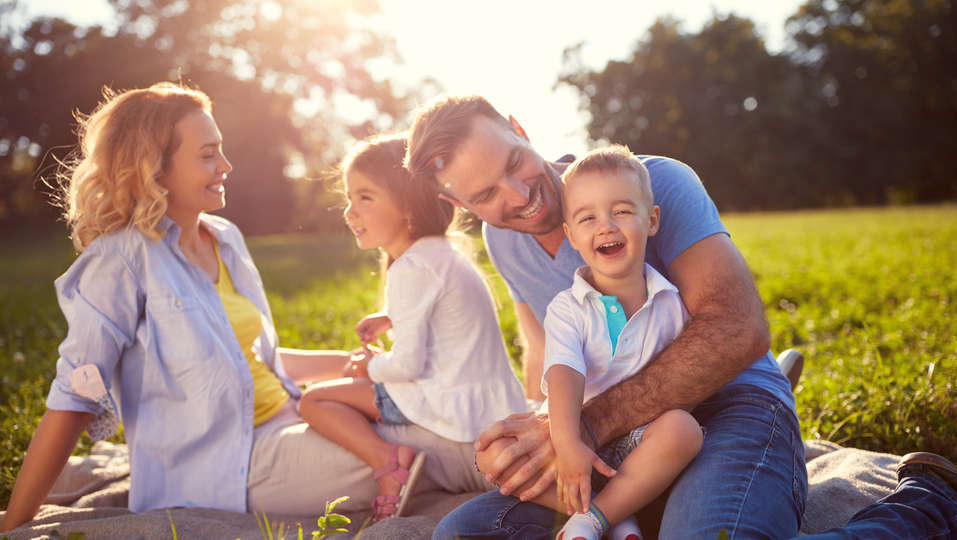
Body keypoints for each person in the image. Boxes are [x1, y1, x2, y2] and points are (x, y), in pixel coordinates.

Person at [405, 93, 957, 540]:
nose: (520, 193)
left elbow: (736, 330)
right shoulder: (503, 241)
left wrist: (584, 427)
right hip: (616, 441)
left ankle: (923, 506)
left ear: (519, 128)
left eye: (513, 162)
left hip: (729, 402)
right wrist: (537, 435)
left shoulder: (653, 183)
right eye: (487, 193)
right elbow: (548, 350)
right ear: (461, 206)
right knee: (466, 530)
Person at [0, 84, 490, 534]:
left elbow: (256, 362)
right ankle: (538, 479)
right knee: (430, 448)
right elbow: (74, 399)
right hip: (227, 465)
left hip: (289, 417)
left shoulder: (225, 239)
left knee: (436, 417)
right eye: (208, 155)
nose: (226, 165)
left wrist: (354, 366)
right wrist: (16, 524)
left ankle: (538, 460)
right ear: (155, 168)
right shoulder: (118, 261)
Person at [476, 145, 703, 540]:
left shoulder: (670, 302)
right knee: (491, 453)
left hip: (640, 442)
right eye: (587, 218)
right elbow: (564, 372)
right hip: (575, 437)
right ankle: (616, 516)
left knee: (684, 430)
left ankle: (597, 517)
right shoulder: (568, 307)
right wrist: (567, 444)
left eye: (622, 212)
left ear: (651, 221)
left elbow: (685, 380)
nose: (606, 226)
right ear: (572, 236)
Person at [297, 133, 527, 522]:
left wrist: (367, 367)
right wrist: (391, 316)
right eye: (349, 198)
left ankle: (389, 463)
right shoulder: (442, 252)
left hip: (453, 414)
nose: (350, 211)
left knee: (314, 400)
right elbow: (442, 313)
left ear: (407, 206)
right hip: (491, 406)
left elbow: (406, 366)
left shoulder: (411, 267)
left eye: (364, 198)